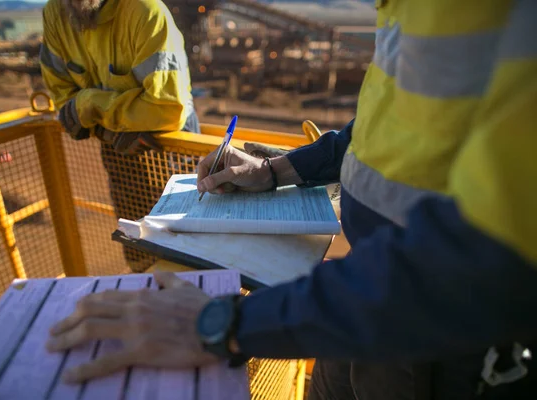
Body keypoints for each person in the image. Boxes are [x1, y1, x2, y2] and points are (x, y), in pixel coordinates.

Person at [46, 1, 537, 399]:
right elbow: (376, 131)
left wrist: (223, 323)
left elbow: (481, 264)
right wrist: (274, 171)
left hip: (434, 341)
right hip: (356, 302)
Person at [39, 0, 200, 272]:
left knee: (187, 248)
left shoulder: (144, 12)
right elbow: (61, 95)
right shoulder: (56, 14)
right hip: (116, 148)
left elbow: (168, 109)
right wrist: (116, 120)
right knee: (136, 243)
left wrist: (89, 105)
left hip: (170, 146)